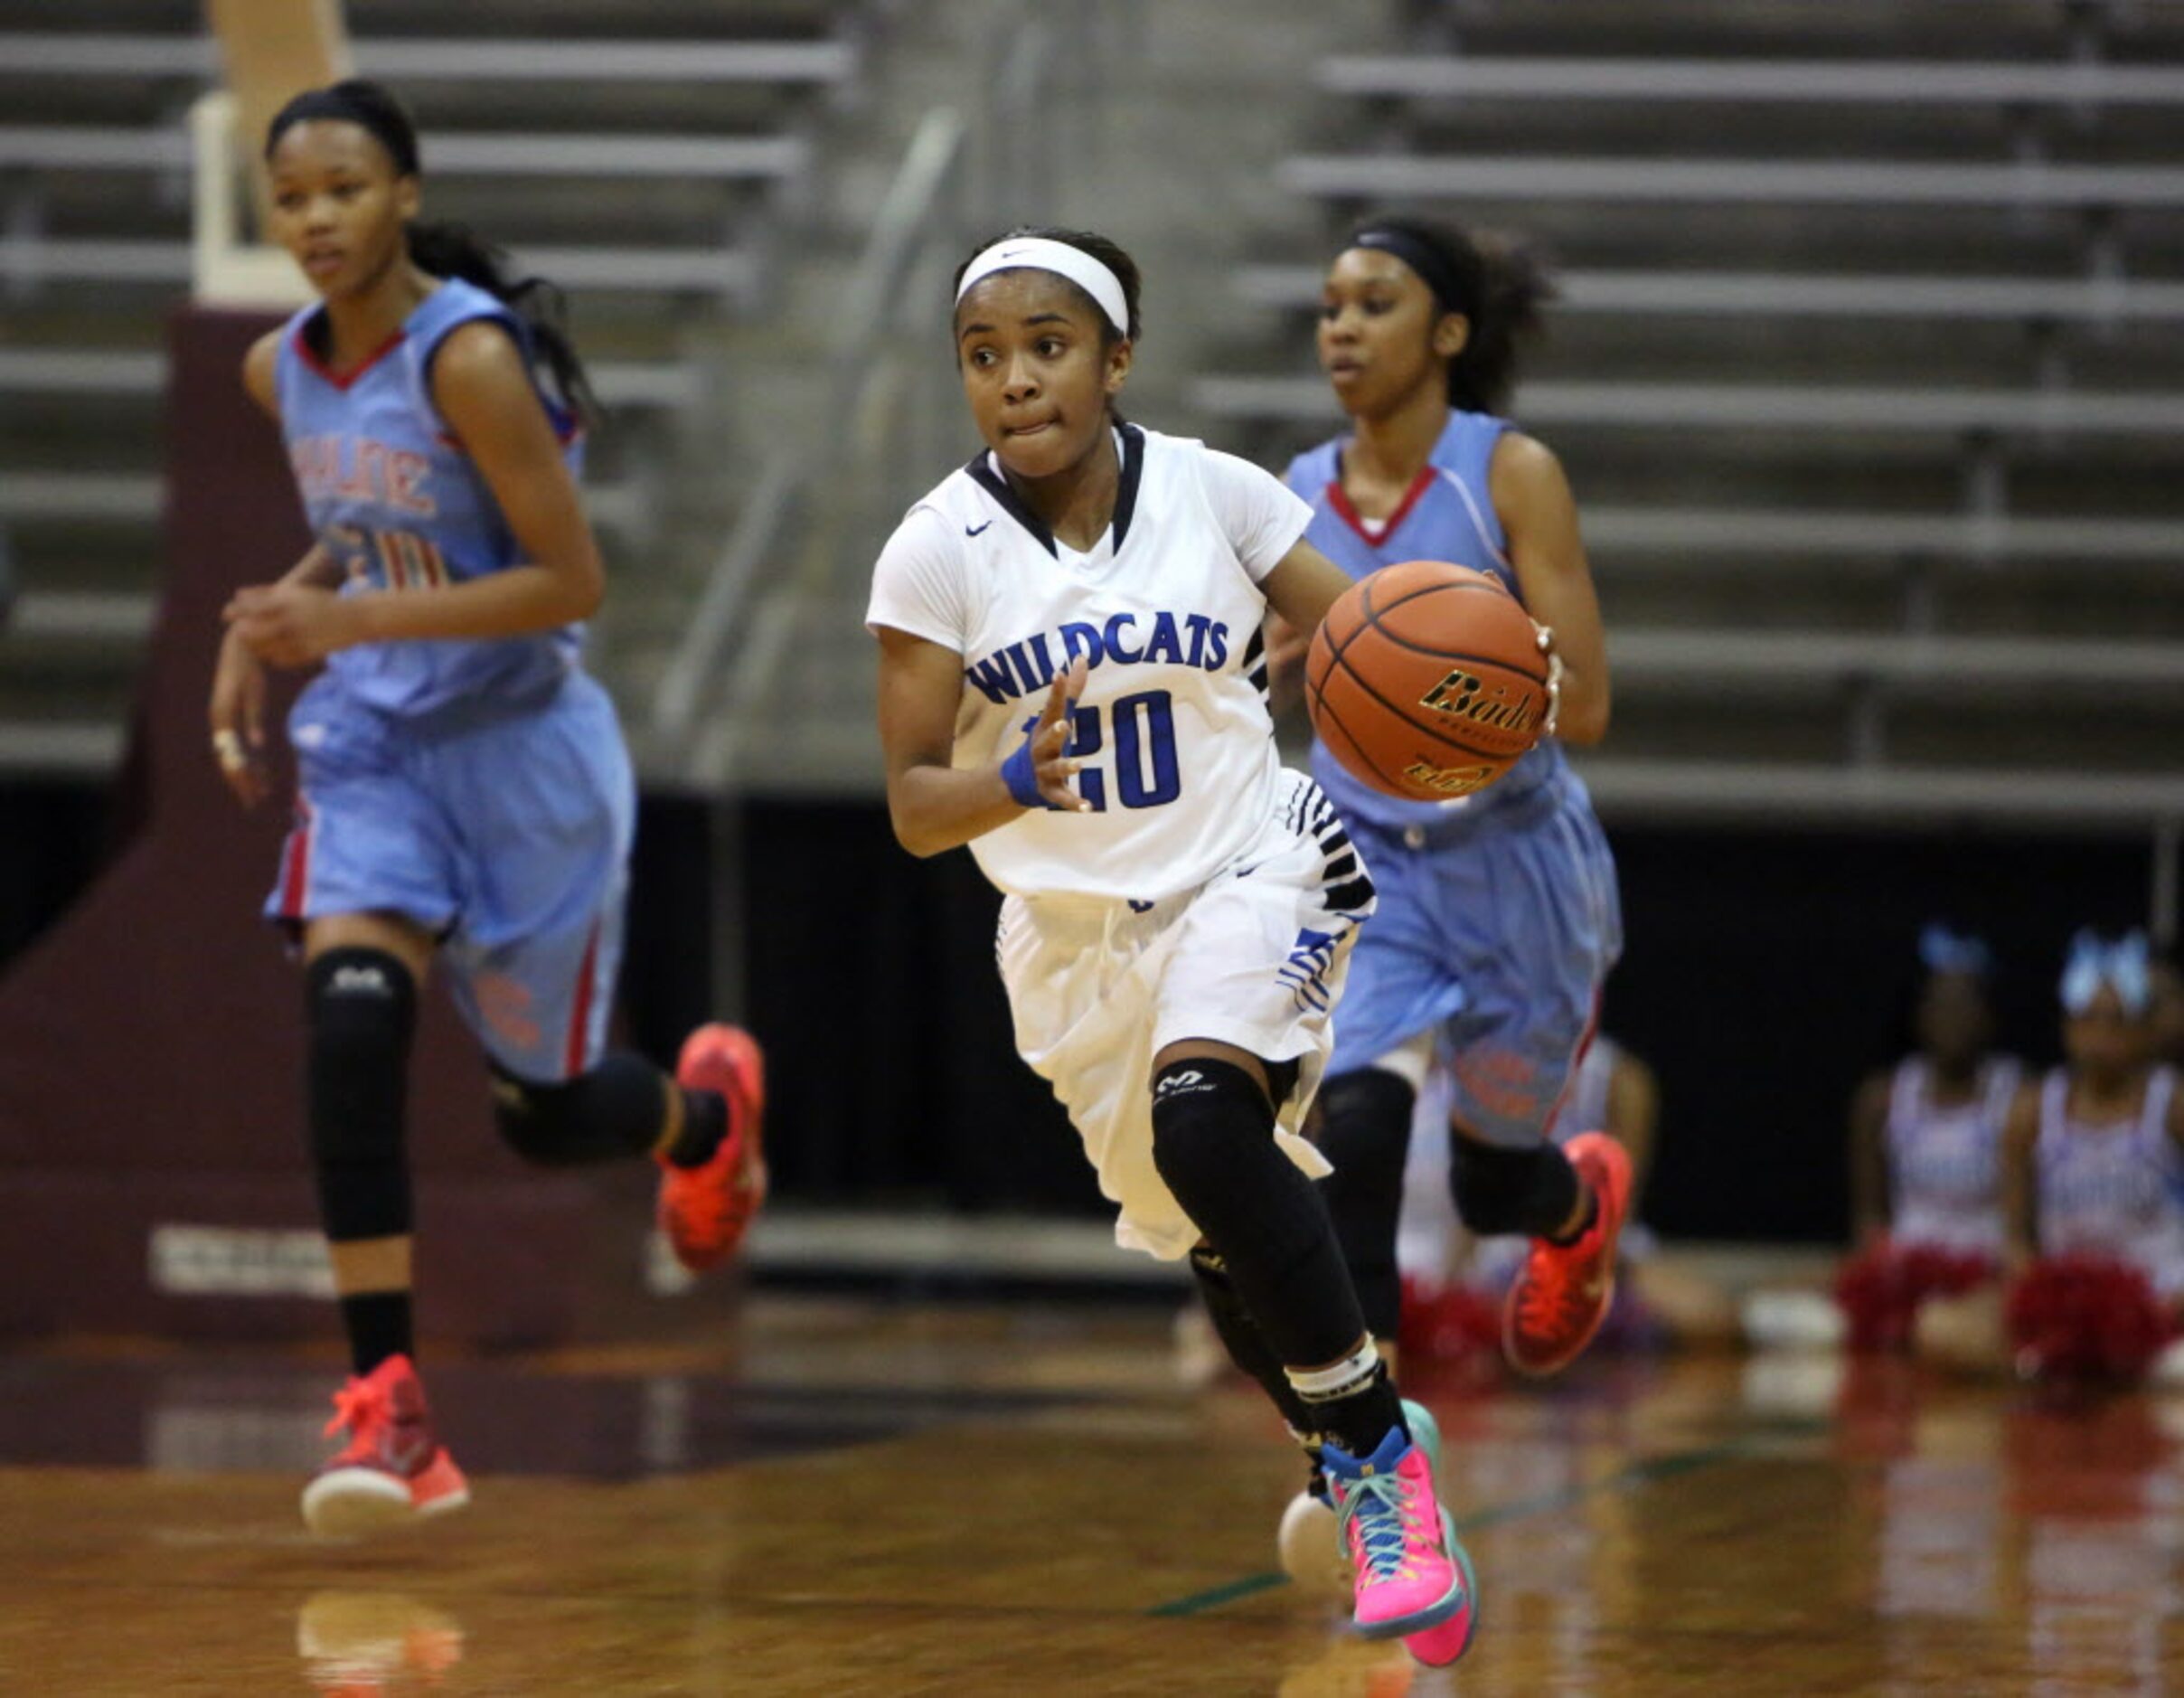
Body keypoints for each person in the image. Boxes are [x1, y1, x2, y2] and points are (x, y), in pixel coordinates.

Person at [866, 226, 1474, 1658]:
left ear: (1117, 357)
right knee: (1216, 1245)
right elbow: (908, 805)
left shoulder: (1217, 493)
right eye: (984, 356)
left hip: (1246, 868)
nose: (1016, 380)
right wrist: (1012, 780)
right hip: (1072, 943)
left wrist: (1484, 672)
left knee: (1209, 1124)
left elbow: (1369, 633)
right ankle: (1358, 1427)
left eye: (1049, 346)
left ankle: (1387, 1478)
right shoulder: (932, 550)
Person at [210, 80, 765, 1535]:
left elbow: (568, 583)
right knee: (350, 1019)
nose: (315, 220)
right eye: (291, 199)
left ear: (403, 193)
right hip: (377, 750)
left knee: (547, 1114)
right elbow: (357, 536)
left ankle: (704, 1120)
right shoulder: (284, 369)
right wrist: (266, 622)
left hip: (522, 752)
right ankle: (390, 1406)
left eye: (343, 189)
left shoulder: (465, 357)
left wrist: (334, 626)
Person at [1268, 216, 1630, 1387]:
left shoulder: (1508, 472)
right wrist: (1262, 666)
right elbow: (1259, 664)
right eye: (1330, 305)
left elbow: (1584, 706)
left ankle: (1576, 1215)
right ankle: (1368, 1449)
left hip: (1515, 858)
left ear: (1450, 331)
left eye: (1374, 303)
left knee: (1490, 1180)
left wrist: (1448, 669)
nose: (1342, 327)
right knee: (1355, 1133)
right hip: (1367, 855)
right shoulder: (1294, 492)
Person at [1917, 930, 2183, 1378]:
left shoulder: (2172, 1105)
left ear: (2142, 1031)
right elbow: (2017, 1236)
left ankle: (2089, 1366)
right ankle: (2069, 1361)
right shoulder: (2030, 1111)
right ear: (2066, 1027)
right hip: (2067, 1296)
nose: (2100, 1036)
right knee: (1937, 1328)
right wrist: (2037, 1293)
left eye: (2116, 1021)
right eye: (2088, 1020)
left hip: (2158, 1296)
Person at [1837, 927, 2020, 1349]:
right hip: (1906, 1270)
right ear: (1917, 1015)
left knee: (1948, 1331)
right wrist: (1880, 1273)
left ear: (1990, 1015)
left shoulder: (2019, 1098)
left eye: (1965, 1005)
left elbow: (2024, 1225)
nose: (1951, 1019)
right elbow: (1869, 1219)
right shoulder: (1880, 1098)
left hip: (1987, 1273)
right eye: (1939, 1005)